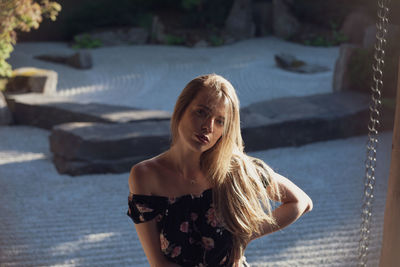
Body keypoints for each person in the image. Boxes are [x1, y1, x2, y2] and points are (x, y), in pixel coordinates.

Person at [127, 74, 313, 267]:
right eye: (201, 112)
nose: (208, 126)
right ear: (181, 109)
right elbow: (158, 264)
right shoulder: (145, 176)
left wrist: (244, 235)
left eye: (220, 121)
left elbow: (301, 201)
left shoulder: (236, 169)